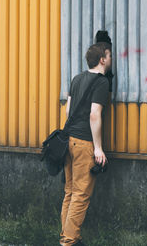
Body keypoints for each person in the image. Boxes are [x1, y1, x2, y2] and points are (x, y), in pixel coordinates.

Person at [59, 41, 112, 246]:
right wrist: (98, 148)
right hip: (83, 143)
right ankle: (69, 242)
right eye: (109, 56)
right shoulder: (101, 82)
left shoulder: (77, 78)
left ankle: (67, 237)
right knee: (81, 195)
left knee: (70, 192)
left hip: (69, 141)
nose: (110, 59)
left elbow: (67, 110)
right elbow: (94, 114)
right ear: (102, 59)